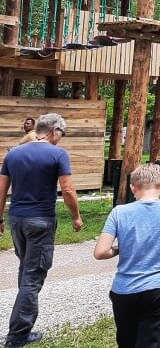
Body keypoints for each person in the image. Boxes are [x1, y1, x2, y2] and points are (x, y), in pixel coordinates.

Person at [0, 113, 83, 348]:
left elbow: (2, 188)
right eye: (62, 134)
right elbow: (67, 190)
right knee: (33, 276)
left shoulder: (13, 153)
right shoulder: (57, 154)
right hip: (40, 222)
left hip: (16, 219)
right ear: (54, 130)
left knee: (26, 269)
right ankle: (17, 337)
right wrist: (76, 216)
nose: (61, 139)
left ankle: (21, 325)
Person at [94, 163, 160, 348]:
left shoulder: (119, 212)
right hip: (158, 289)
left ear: (133, 187)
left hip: (124, 290)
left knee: (126, 341)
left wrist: (119, 248)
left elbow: (101, 252)